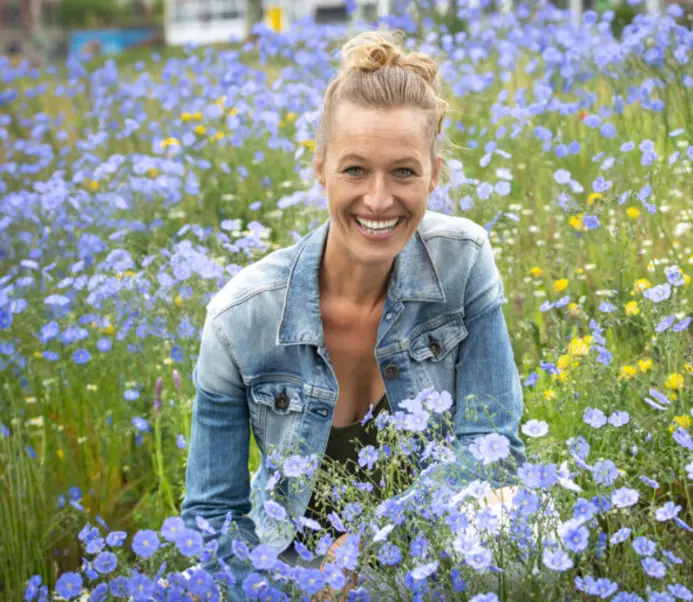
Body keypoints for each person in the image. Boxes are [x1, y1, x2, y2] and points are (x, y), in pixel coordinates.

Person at [180, 29, 525, 601]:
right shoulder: (239, 317)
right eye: (355, 170)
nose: (379, 199)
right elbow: (213, 515)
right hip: (292, 564)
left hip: (428, 540)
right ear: (321, 169)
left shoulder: (463, 261)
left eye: (404, 172)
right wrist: (293, 586)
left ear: (434, 175)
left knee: (504, 528)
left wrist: (368, 545)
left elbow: (492, 446)